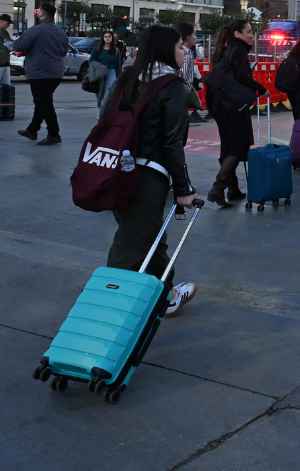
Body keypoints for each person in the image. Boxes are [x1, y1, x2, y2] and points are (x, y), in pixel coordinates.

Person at [102, 25, 198, 318]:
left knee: (149, 234)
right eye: (180, 46)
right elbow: (172, 143)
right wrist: (183, 188)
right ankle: (106, 310)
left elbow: (104, 119)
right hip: (149, 177)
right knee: (132, 243)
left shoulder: (126, 78)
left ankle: (168, 295)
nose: (185, 51)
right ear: (165, 50)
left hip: (116, 170)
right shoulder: (173, 86)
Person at [206, 19, 269, 206]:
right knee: (239, 145)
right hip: (232, 105)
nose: (252, 35)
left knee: (227, 144)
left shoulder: (227, 49)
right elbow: (241, 75)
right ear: (237, 34)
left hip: (218, 103)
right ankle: (218, 189)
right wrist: (261, 88)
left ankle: (232, 189)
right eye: (249, 31)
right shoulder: (239, 50)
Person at [13, 2, 69, 145]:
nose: (37, 13)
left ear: (42, 14)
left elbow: (19, 45)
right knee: (43, 102)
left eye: (38, 11)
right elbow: (63, 52)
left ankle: (54, 133)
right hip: (56, 72)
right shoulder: (61, 33)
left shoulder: (37, 29)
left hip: (39, 72)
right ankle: (32, 129)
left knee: (44, 103)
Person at [89, 31, 125, 111]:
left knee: (107, 93)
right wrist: (98, 67)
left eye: (109, 36)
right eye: (105, 37)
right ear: (103, 38)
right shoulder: (97, 49)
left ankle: (103, 113)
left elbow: (118, 64)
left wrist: (119, 77)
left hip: (111, 72)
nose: (107, 38)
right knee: (99, 94)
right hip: (99, 73)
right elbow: (91, 60)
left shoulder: (116, 51)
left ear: (112, 38)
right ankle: (100, 110)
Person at [176, 23, 203, 121]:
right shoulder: (185, 56)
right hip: (180, 98)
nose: (196, 37)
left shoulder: (189, 54)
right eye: (194, 34)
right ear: (188, 37)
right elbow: (183, 78)